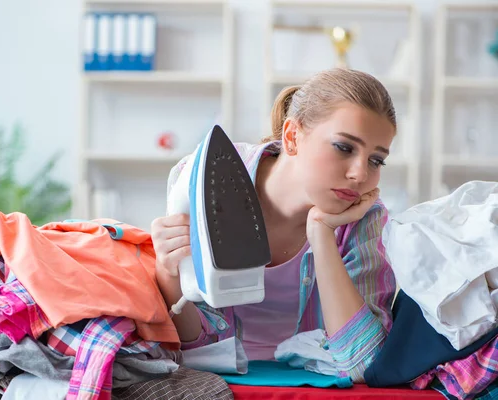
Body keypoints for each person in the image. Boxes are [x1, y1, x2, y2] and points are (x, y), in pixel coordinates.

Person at [150, 68, 397, 382]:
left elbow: (362, 363)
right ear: (293, 136)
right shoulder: (206, 177)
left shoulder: (363, 216)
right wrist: (168, 269)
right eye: (344, 148)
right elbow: (189, 347)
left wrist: (321, 233)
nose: (360, 174)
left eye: (376, 160)